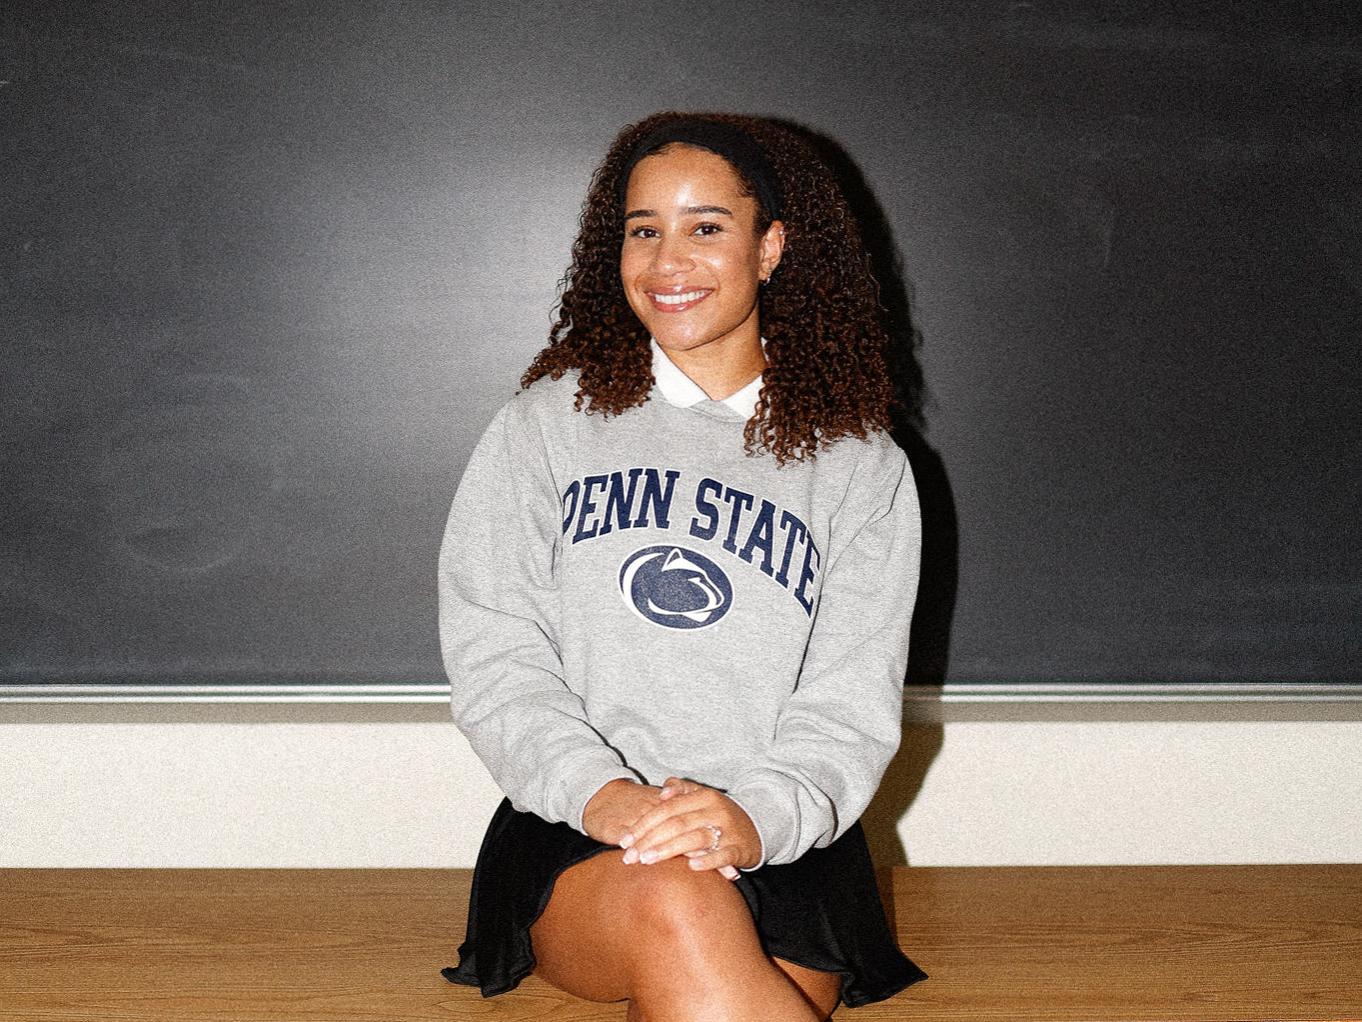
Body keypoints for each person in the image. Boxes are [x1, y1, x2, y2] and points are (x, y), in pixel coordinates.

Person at [438, 111, 927, 1021]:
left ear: (771, 246)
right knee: (680, 902)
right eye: (643, 230)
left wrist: (756, 819)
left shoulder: (862, 463)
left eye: (706, 227)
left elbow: (850, 703)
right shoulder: (547, 427)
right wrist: (607, 797)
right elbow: (498, 657)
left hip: (786, 842)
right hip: (583, 834)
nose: (668, 262)